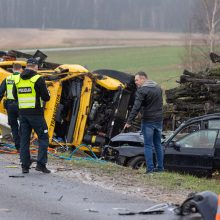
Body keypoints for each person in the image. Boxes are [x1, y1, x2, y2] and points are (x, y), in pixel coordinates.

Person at [13, 58, 50, 174]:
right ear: (36, 67)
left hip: (23, 114)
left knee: (24, 140)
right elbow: (46, 98)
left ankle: (25, 166)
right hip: (36, 115)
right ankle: (41, 164)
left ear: (26, 66)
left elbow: (15, 96)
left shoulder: (18, 79)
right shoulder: (38, 79)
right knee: (43, 137)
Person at [124, 71, 164, 174]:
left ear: (143, 78)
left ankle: (150, 170)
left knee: (148, 145)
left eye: (137, 80)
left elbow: (136, 107)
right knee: (158, 144)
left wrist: (129, 121)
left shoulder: (142, 90)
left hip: (148, 121)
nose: (136, 82)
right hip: (158, 120)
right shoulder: (158, 88)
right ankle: (160, 168)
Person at [0, 63, 23, 151]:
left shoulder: (7, 79)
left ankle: (18, 146)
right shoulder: (23, 78)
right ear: (21, 69)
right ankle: (23, 145)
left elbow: (0, 93)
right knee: (23, 125)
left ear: (13, 70)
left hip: (10, 106)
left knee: (13, 126)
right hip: (21, 105)